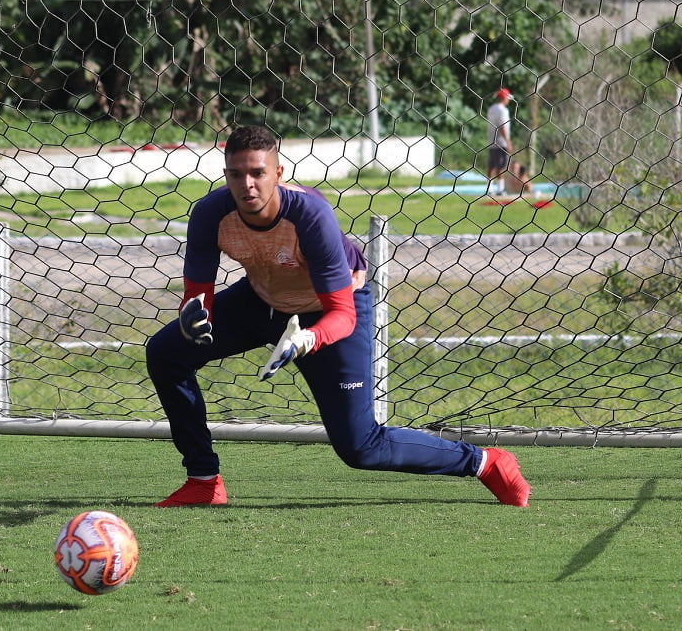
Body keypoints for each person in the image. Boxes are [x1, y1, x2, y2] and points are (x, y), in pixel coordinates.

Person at [145, 125, 531, 508]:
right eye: (236, 174)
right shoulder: (211, 213)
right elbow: (197, 299)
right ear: (226, 174)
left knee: (361, 447)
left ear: (278, 174)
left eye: (258, 173)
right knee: (166, 353)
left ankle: (485, 462)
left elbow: (342, 315)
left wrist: (307, 339)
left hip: (329, 312)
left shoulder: (311, 215)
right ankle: (203, 481)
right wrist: (192, 317)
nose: (247, 184)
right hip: (260, 300)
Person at [486, 88, 513, 196]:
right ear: (503, 98)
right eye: (507, 98)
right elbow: (502, 126)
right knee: (501, 166)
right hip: (501, 141)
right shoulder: (503, 110)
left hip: (492, 140)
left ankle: (489, 189)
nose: (509, 100)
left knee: (491, 165)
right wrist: (508, 141)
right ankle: (501, 189)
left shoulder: (491, 108)